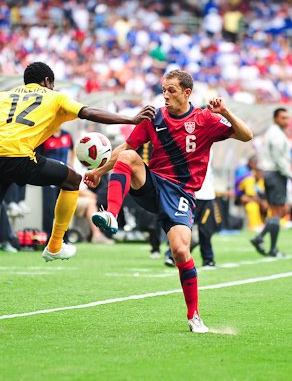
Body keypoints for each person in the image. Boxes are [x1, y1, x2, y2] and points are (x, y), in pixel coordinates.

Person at [0, 62, 155, 326]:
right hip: (17, 156)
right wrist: (131, 119)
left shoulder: (3, 96)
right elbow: (88, 112)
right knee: (72, 180)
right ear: (47, 81)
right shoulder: (54, 97)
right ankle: (55, 245)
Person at [84, 69, 253, 333]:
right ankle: (111, 215)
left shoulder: (205, 119)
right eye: (163, 90)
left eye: (171, 90)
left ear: (187, 93)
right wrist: (98, 171)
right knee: (128, 157)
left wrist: (226, 112)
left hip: (181, 193)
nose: (165, 95)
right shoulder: (154, 117)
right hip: (153, 185)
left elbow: (246, 135)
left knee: (181, 251)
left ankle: (194, 315)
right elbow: (125, 149)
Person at [250, 108, 291, 257]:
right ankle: (272, 248)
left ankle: (260, 238)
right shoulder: (276, 134)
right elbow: (279, 158)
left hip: (270, 173)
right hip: (275, 173)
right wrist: (290, 175)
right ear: (275, 119)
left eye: (287, 118)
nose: (286, 121)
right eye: (283, 118)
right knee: (277, 212)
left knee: (277, 211)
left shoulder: (273, 132)